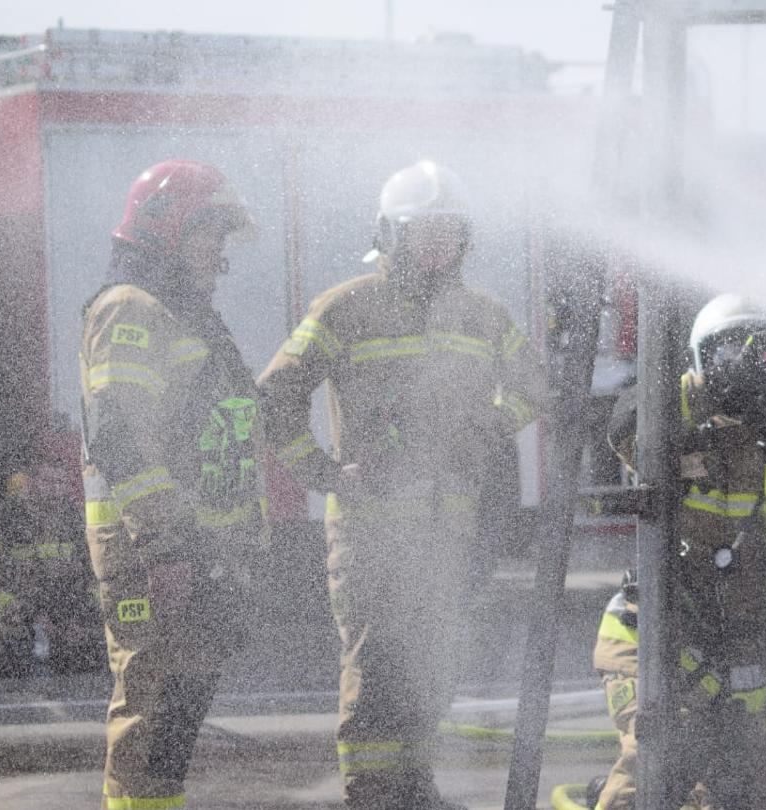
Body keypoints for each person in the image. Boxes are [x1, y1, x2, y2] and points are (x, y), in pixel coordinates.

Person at [256, 159, 543, 810]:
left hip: (452, 538)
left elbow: (536, 387)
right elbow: (276, 396)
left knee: (433, 674)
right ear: (391, 236)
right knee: (378, 679)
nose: (440, 245)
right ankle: (375, 800)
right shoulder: (348, 309)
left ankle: (416, 793)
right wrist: (322, 472)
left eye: (450, 231)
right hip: (373, 539)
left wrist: (491, 425)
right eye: (425, 231)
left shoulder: (482, 314)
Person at [589, 294, 766, 810]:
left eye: (754, 355)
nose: (742, 368)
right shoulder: (671, 410)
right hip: (654, 636)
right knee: (658, 762)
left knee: (753, 785)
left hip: (737, 645)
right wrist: (694, 413)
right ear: (700, 359)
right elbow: (625, 428)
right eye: (726, 354)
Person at [80, 159, 267, 810]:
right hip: (157, 554)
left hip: (199, 550)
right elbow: (120, 436)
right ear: (172, 231)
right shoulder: (132, 308)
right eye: (213, 238)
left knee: (180, 707)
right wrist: (165, 550)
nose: (221, 259)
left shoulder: (184, 313)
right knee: (151, 703)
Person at [0, 429, 100, 676]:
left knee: (93, 637)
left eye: (61, 483)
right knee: (11, 643)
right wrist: (26, 614)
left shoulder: (74, 519)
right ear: (32, 481)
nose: (55, 490)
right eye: (48, 482)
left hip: (64, 609)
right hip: (19, 609)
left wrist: (80, 614)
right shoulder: (4, 518)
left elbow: (93, 569)